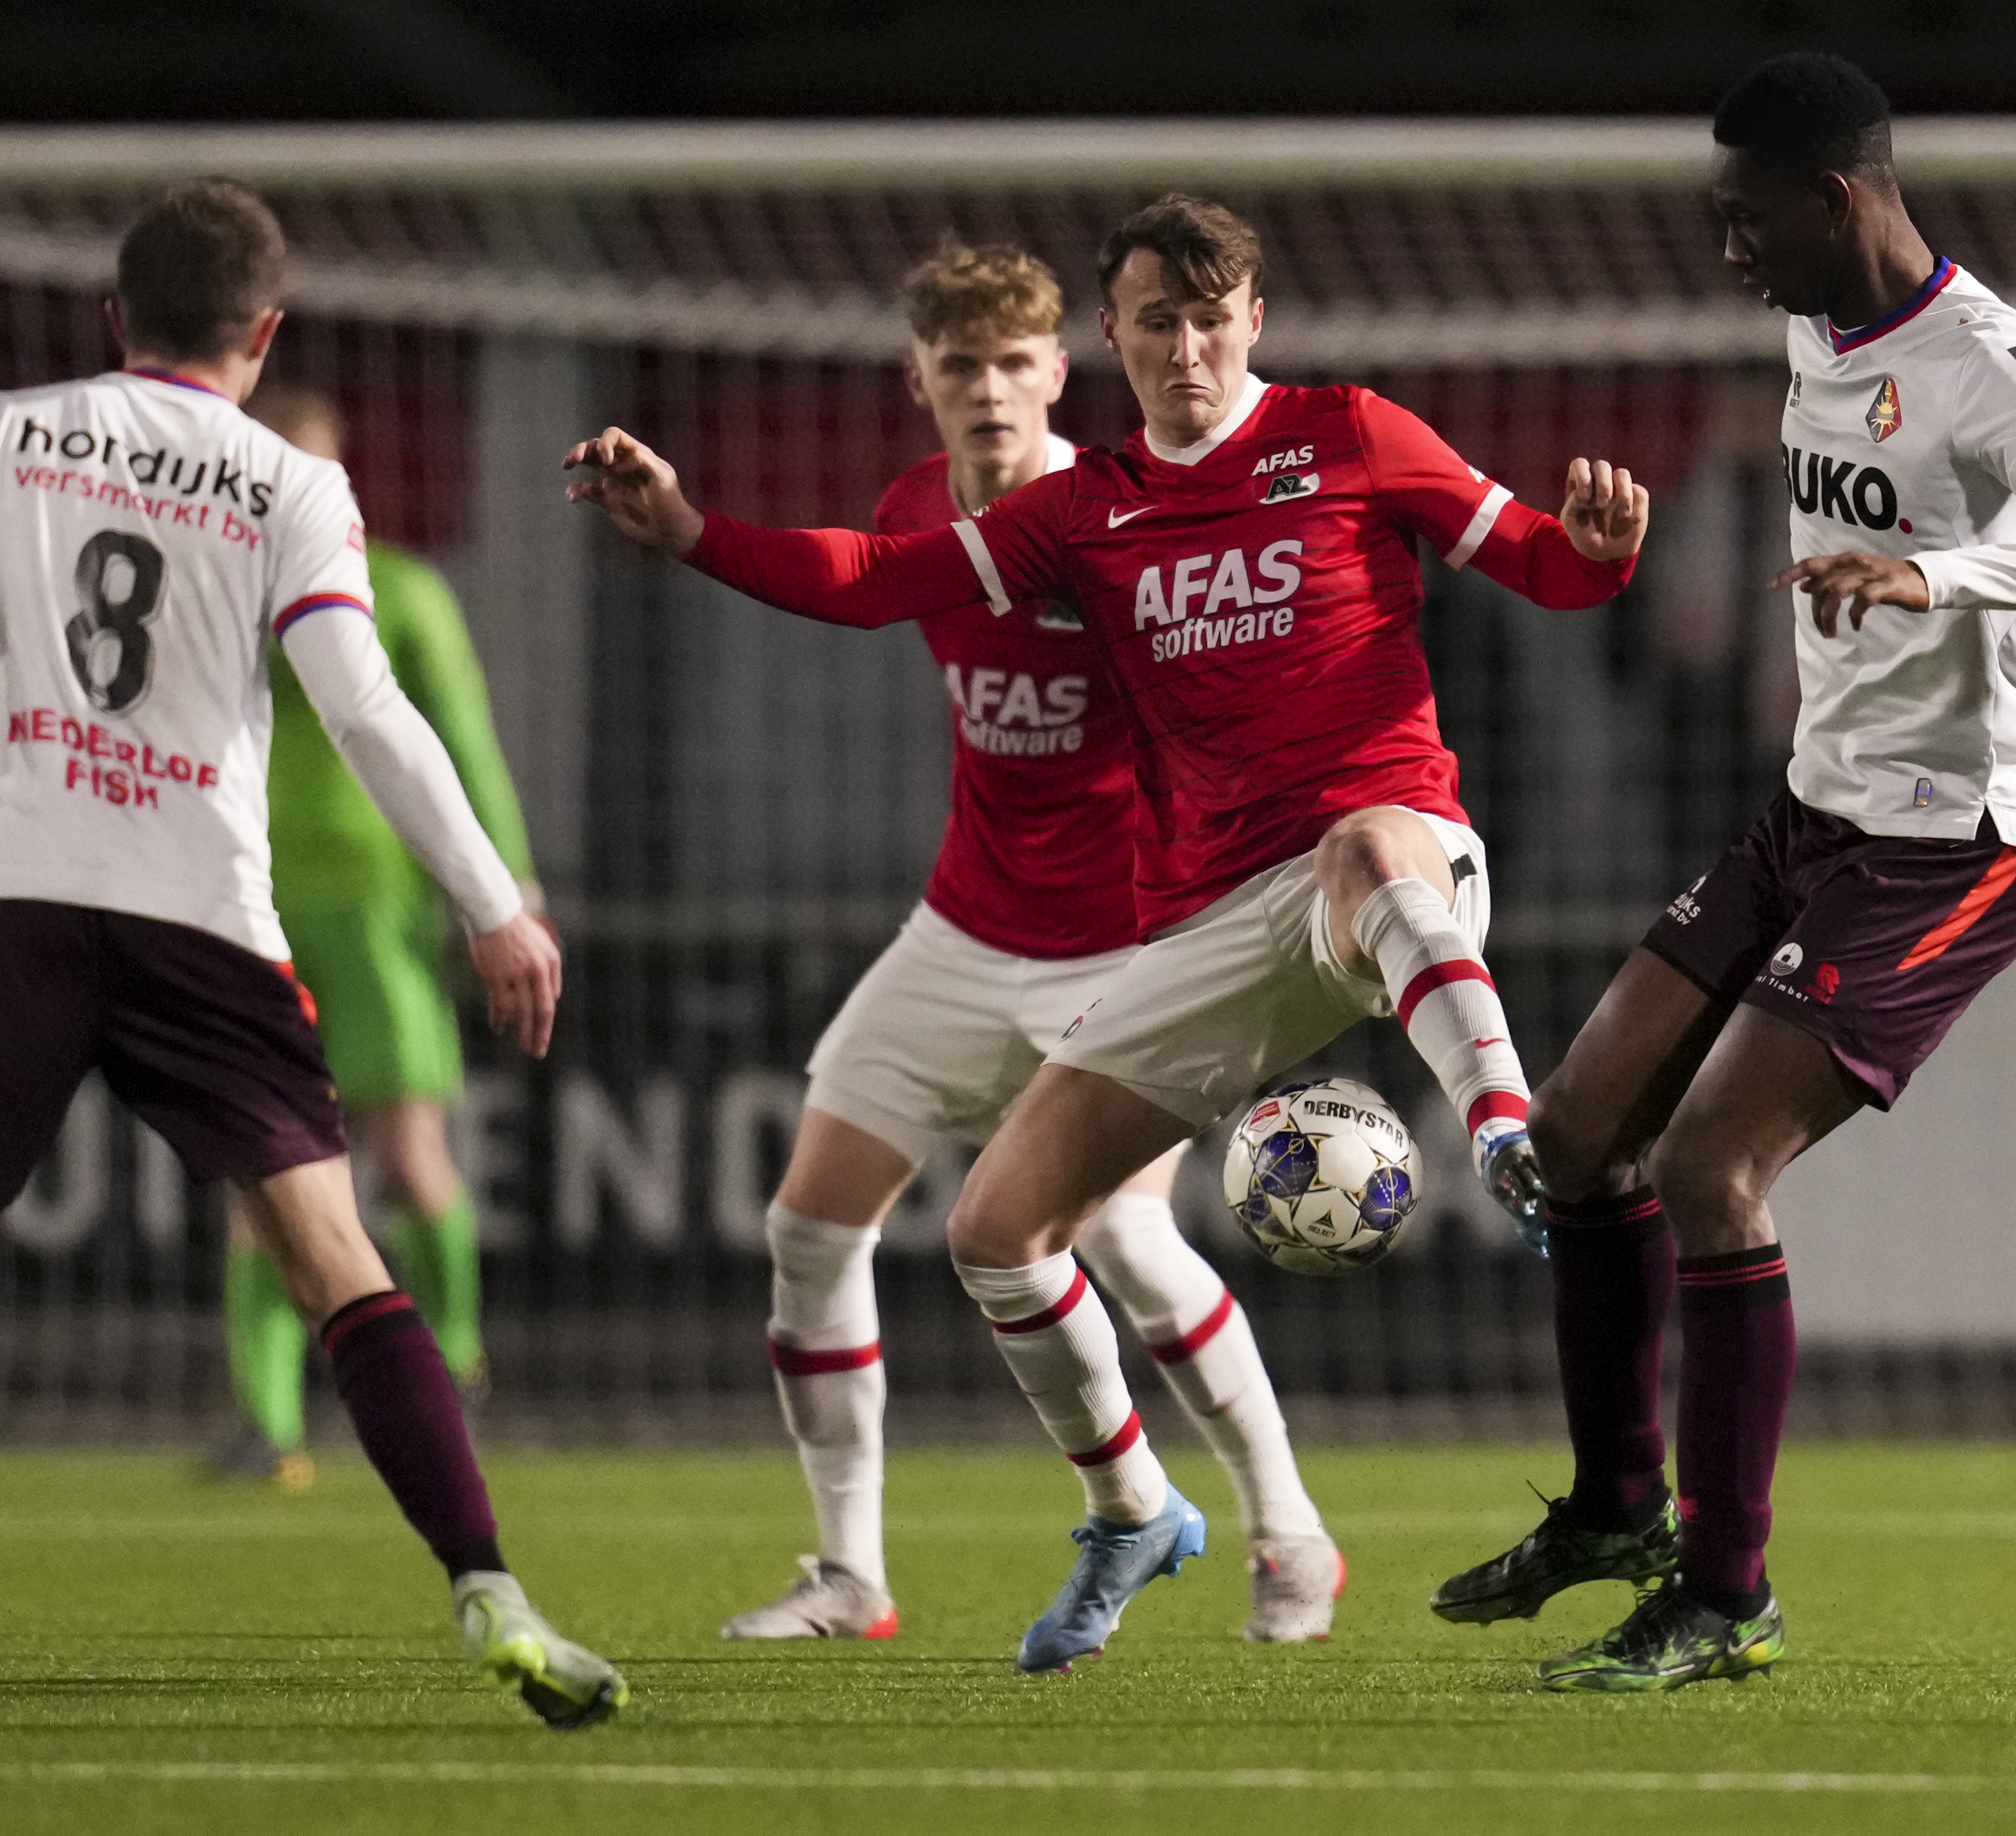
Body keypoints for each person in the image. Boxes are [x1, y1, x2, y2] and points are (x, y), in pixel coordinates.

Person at [567, 194, 1646, 1672]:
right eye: (1158, 321)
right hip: (1171, 921)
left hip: (1334, 860)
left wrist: (1595, 550)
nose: (1188, 346)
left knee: (1369, 848)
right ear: (1117, 338)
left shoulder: (1346, 433)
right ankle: (1125, 1514)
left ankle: (1506, 1129)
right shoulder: (1082, 515)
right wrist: (689, 530)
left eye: (1213, 319)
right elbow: (876, 581)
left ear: (1252, 321)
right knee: (993, 1238)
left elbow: (1549, 564)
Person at [1428, 52, 2016, 1693]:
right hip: (1807, 813)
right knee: (1572, 1139)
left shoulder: (1993, 361)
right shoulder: (1809, 327)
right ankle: (1619, 1507)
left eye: (1744, 216)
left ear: (1836, 197)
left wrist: (1938, 576)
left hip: (1951, 848)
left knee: (1712, 1169)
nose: (1726, 248)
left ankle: (1726, 1591)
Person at [0, 178, 624, 1727]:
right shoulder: (289, 483)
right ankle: (493, 1592)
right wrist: (495, 903)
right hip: (202, 912)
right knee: (338, 1254)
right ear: (263, 333)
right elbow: (365, 711)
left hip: (20, 893)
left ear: (110, 316)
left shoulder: (11, 438)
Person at [716, 240, 1341, 1647]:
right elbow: (848, 578)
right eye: (960, 367)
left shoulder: (1120, 516)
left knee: (1124, 1238)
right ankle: (849, 1576)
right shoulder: (910, 511)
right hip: (959, 928)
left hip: (1121, 947)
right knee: (808, 1226)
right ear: (921, 384)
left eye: (1014, 364)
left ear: (1061, 373)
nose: (988, 391)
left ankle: (1286, 1533)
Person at [209, 382, 542, 1491]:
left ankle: (453, 1376)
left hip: (377, 911)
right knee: (265, 1172)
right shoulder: (208, 592)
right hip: (244, 901)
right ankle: (267, 1420)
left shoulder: (398, 589)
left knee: (406, 1155)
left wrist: (505, 885)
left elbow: (463, 738)